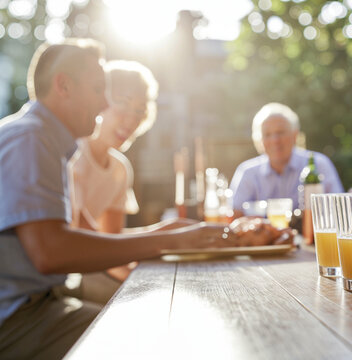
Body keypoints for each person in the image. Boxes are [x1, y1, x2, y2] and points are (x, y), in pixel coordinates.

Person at [0, 39, 288, 359]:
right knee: (156, 334)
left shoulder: (42, 140)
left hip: (43, 302)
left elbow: (89, 242)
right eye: (98, 91)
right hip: (17, 318)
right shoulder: (31, 138)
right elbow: (52, 252)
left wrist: (169, 233)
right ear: (63, 86)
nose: (102, 105)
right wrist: (169, 240)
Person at [66, 60, 159, 304]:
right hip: (65, 279)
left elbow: (113, 246)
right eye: (123, 104)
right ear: (100, 102)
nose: (131, 119)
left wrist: (149, 284)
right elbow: (91, 244)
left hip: (90, 273)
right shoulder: (72, 153)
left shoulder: (120, 169)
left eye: (140, 110)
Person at [230, 102, 344, 216]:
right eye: (267, 134)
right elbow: (234, 215)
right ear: (259, 141)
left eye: (280, 133)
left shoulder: (318, 164)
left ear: (295, 135)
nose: (275, 140)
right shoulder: (247, 171)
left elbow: (339, 209)